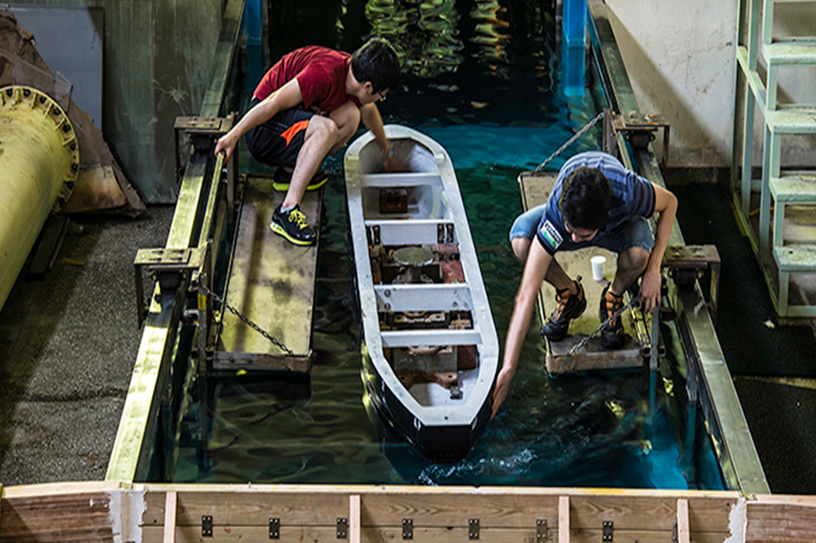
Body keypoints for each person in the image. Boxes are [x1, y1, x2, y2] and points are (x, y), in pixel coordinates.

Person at [491, 150, 678, 417]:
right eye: (570, 232)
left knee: (640, 257)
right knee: (521, 242)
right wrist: (508, 367)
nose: (575, 241)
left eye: (582, 236)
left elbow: (671, 204)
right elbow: (526, 294)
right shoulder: (558, 212)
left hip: (617, 227)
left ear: (599, 226)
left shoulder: (631, 192)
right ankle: (569, 291)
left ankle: (613, 296)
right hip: (575, 215)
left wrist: (654, 269)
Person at [214, 37, 402, 245]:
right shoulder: (323, 74)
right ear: (368, 88)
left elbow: (369, 112)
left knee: (351, 117)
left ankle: (288, 175)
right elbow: (274, 102)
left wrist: (388, 154)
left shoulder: (353, 74)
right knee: (326, 129)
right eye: (381, 96)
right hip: (262, 130)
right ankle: (286, 211)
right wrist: (234, 135)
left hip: (286, 124)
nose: (379, 100)